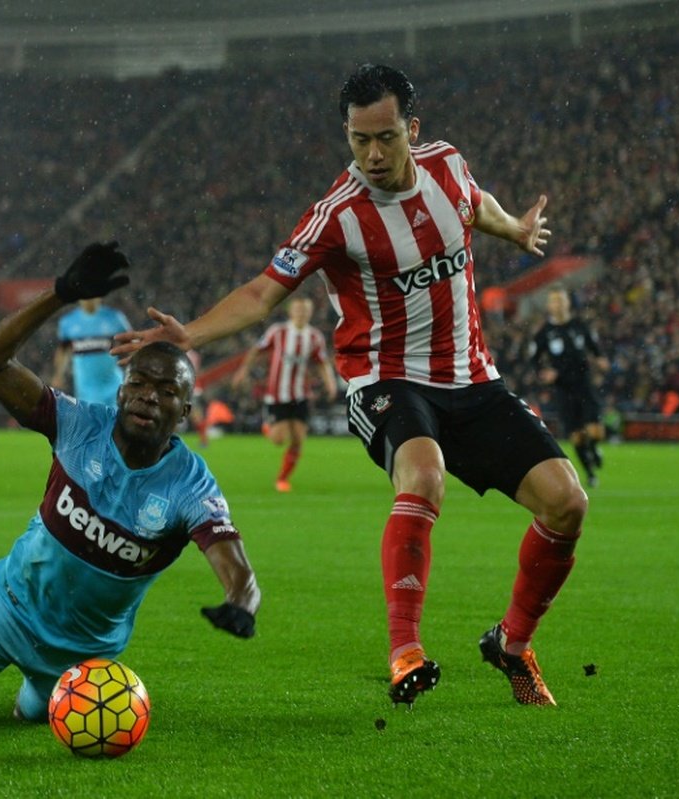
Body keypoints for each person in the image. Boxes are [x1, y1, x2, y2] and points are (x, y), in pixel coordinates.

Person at [114, 64, 588, 707]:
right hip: (386, 379)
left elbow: (477, 207)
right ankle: (405, 652)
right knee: (423, 476)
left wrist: (514, 229)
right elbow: (263, 291)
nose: (371, 153)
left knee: (567, 503)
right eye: (358, 139)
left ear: (411, 130)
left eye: (386, 137)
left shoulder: (447, 165)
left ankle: (511, 644)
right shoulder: (338, 214)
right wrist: (189, 336)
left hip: (473, 377)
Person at [0, 242, 260, 731]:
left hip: (81, 655)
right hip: (1, 610)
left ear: (184, 413)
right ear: (121, 389)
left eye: (167, 390)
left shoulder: (190, 485)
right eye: (140, 382)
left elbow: (234, 565)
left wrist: (240, 603)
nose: (149, 396)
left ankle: (35, 695)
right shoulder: (77, 423)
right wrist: (59, 294)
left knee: (35, 718)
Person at [231, 297, 338, 492]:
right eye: (298, 310)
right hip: (276, 394)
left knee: (298, 439)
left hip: (301, 394)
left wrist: (330, 382)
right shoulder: (278, 332)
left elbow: (322, 362)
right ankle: (267, 427)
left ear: (310, 313)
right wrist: (243, 370)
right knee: (279, 440)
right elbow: (256, 350)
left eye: (305, 311)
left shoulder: (315, 337)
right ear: (291, 312)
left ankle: (282, 479)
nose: (301, 314)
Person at [529, 287, 610, 487]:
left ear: (568, 303)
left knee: (596, 432)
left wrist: (600, 359)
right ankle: (590, 472)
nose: (558, 304)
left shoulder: (580, 326)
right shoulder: (545, 333)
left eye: (561, 300)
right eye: (554, 301)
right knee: (577, 437)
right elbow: (534, 360)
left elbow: (594, 347)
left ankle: (594, 448)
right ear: (549, 306)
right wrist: (544, 373)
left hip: (584, 384)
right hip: (563, 389)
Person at [52, 296, 131, 405]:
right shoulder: (68, 322)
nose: (89, 300)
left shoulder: (114, 318)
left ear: (99, 297)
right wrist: (58, 374)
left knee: (115, 419)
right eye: (85, 296)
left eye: (92, 296)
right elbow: (63, 351)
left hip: (113, 387)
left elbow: (131, 344)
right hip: (85, 390)